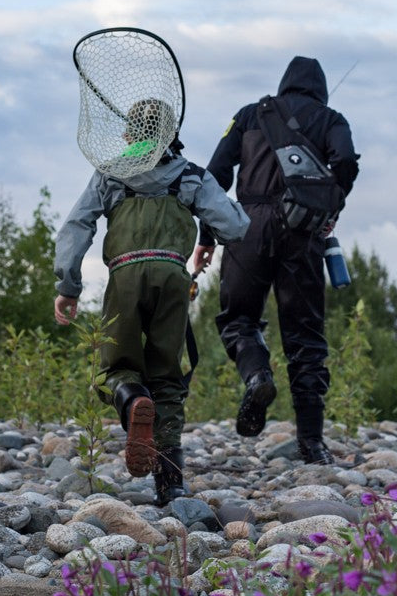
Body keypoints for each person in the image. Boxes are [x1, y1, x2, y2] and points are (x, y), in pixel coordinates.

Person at [54, 99, 250, 506]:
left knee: (116, 368)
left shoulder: (110, 174)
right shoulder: (190, 176)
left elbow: (77, 225)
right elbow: (236, 227)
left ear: (128, 135)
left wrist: (68, 286)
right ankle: (171, 482)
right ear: (171, 134)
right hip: (172, 277)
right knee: (168, 377)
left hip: (124, 276)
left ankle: (132, 401)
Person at [191, 56, 359, 465]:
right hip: (302, 234)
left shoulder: (249, 115)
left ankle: (257, 375)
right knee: (306, 339)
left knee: (238, 321)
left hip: (246, 226)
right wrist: (329, 207)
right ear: (318, 88)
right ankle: (312, 445)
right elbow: (348, 164)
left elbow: (215, 175)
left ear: (285, 85)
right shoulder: (332, 119)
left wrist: (208, 235)